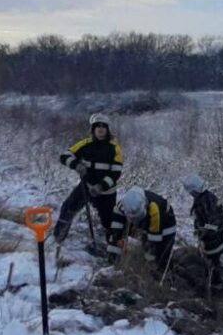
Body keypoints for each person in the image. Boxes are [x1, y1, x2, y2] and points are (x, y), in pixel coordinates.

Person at [53, 113, 123, 243]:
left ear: (107, 129)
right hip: (86, 186)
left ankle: (114, 247)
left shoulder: (115, 148)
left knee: (109, 222)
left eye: (103, 126)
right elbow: (64, 156)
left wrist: (101, 186)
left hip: (106, 192)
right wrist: (76, 165)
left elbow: (116, 173)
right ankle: (58, 237)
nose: (100, 129)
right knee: (68, 207)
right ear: (93, 129)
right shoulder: (85, 144)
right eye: (97, 126)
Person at [107, 186, 177, 269]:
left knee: (161, 255)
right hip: (146, 222)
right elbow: (115, 233)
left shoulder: (154, 209)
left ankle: (165, 273)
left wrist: (149, 263)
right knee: (115, 238)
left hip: (166, 225)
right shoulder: (120, 208)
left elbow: (154, 242)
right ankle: (112, 264)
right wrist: (114, 254)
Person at [183, 173, 223, 285]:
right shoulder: (208, 198)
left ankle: (216, 286)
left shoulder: (205, 202)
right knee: (212, 264)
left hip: (214, 242)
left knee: (213, 265)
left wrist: (202, 229)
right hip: (217, 239)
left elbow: (214, 224)